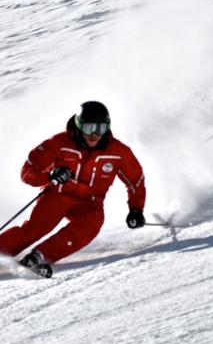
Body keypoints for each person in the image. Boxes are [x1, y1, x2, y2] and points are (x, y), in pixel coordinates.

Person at [0, 101, 146, 277]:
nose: (94, 134)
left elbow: (135, 180)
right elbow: (28, 172)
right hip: (58, 195)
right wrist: (51, 175)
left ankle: (40, 256)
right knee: (36, 229)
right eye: (89, 127)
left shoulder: (118, 152)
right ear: (78, 125)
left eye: (100, 129)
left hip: (90, 202)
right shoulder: (59, 143)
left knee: (92, 222)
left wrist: (136, 209)